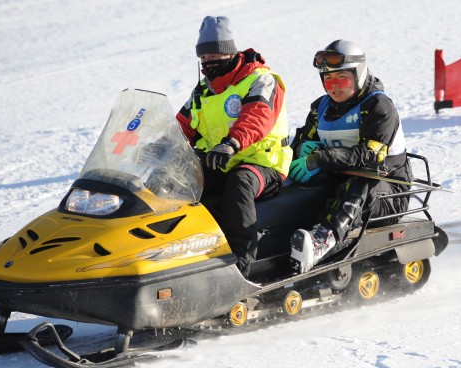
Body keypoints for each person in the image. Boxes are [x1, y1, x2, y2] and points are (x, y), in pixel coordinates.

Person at [176, 16, 292, 277]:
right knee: (180, 185)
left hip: (263, 163)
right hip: (220, 160)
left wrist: (232, 142)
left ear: (229, 51)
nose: (209, 62)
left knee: (239, 184)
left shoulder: (261, 80)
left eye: (214, 54)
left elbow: (257, 115)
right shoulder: (203, 92)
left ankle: (241, 265)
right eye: (203, 57)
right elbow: (181, 126)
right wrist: (156, 147)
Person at [288, 39, 412, 273]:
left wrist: (320, 158)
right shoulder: (321, 108)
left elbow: (369, 156)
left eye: (342, 79)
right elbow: (302, 138)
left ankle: (325, 238)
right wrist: (303, 147)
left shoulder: (378, 106)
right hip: (340, 181)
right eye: (328, 80)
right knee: (298, 178)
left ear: (359, 75)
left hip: (387, 191)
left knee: (361, 178)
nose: (335, 86)